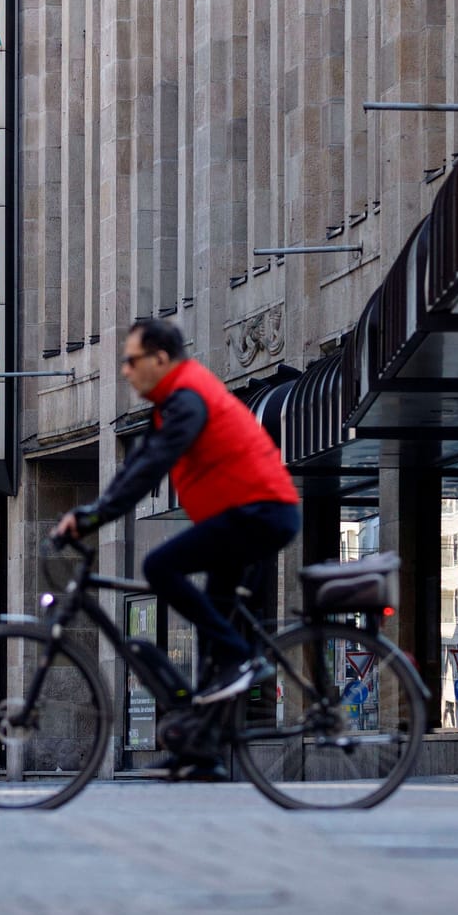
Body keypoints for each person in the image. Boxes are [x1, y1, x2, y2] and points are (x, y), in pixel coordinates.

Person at [53, 319, 302, 774]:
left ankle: (243, 659)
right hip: (241, 516)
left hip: (259, 512)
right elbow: (139, 464)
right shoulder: (171, 405)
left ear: (160, 360)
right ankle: (203, 751)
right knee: (211, 633)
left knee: (160, 566)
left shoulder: (188, 398)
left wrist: (92, 518)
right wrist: (91, 512)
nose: (125, 371)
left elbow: (153, 469)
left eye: (131, 361)